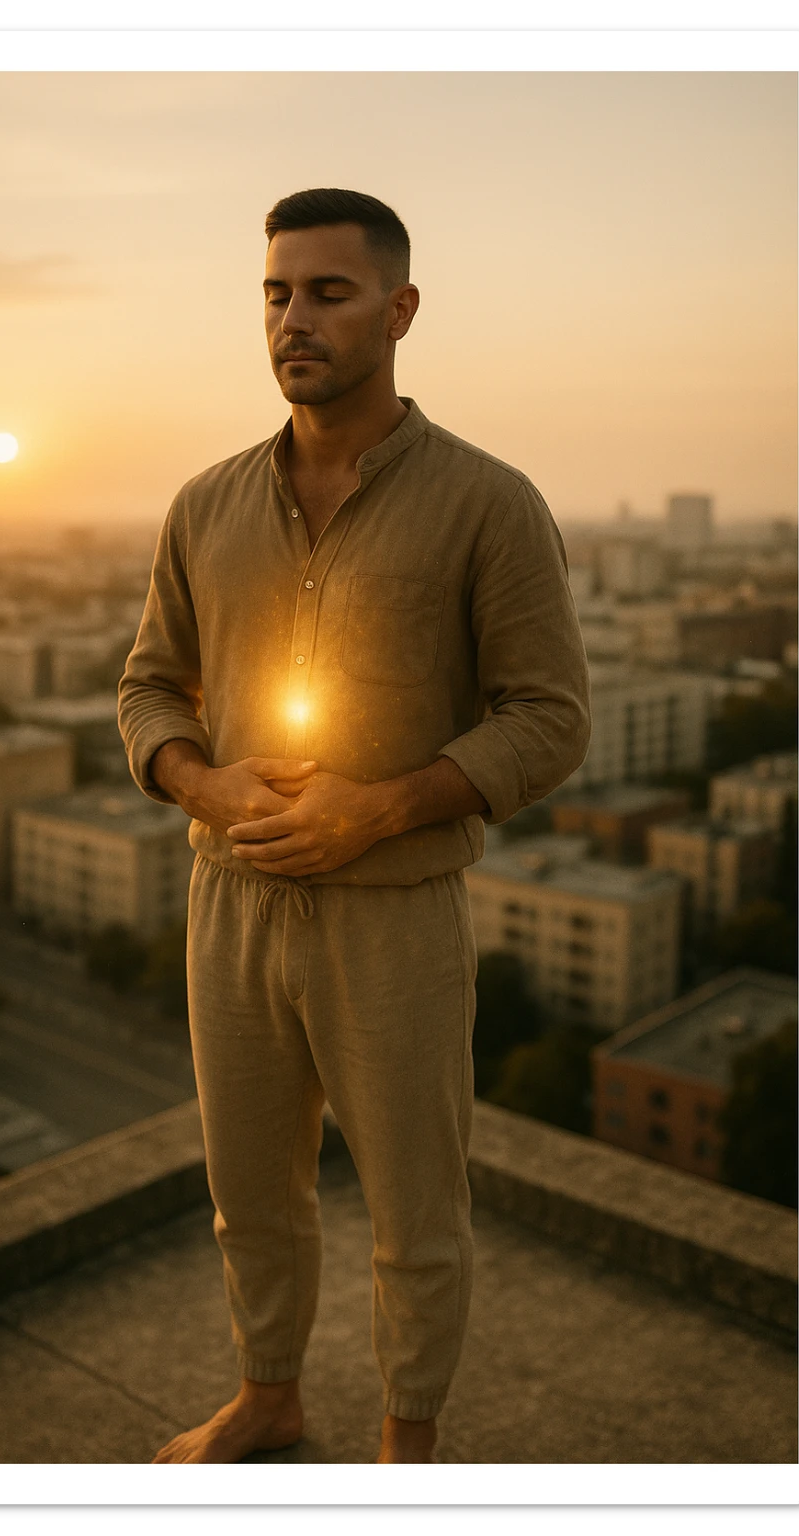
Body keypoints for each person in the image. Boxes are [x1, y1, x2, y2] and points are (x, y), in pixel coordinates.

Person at [118, 187, 591, 1464]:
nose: (294, 319)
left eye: (327, 291)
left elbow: (550, 719)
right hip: (230, 907)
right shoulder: (204, 505)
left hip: (393, 917)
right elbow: (149, 686)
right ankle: (268, 1400)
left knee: (415, 1213)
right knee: (248, 1198)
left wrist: (380, 807)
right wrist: (202, 784)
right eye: (275, 292)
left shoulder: (489, 503)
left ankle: (407, 1451)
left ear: (399, 308)